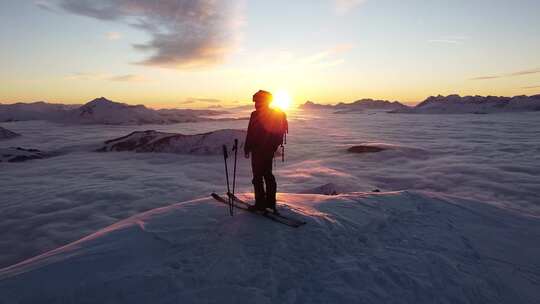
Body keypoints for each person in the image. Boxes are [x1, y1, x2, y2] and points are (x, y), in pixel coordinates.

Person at [244, 90, 288, 213]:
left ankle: (261, 204)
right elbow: (251, 133)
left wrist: (248, 147)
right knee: (267, 176)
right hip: (265, 151)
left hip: (260, 151)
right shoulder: (269, 115)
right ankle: (270, 203)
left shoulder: (257, 115)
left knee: (258, 177)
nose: (255, 104)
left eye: (257, 101)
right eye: (255, 101)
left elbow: (250, 133)